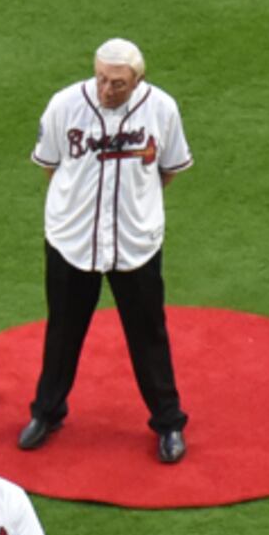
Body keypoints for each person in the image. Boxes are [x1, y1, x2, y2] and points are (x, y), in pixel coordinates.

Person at [24, 38, 194, 463]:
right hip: (72, 239)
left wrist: (134, 209)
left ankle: (169, 422)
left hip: (135, 243)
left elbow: (168, 170)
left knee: (148, 335)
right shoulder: (65, 105)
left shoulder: (162, 110)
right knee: (63, 331)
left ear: (137, 80)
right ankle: (46, 413)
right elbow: (50, 165)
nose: (106, 89)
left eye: (117, 83)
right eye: (101, 78)